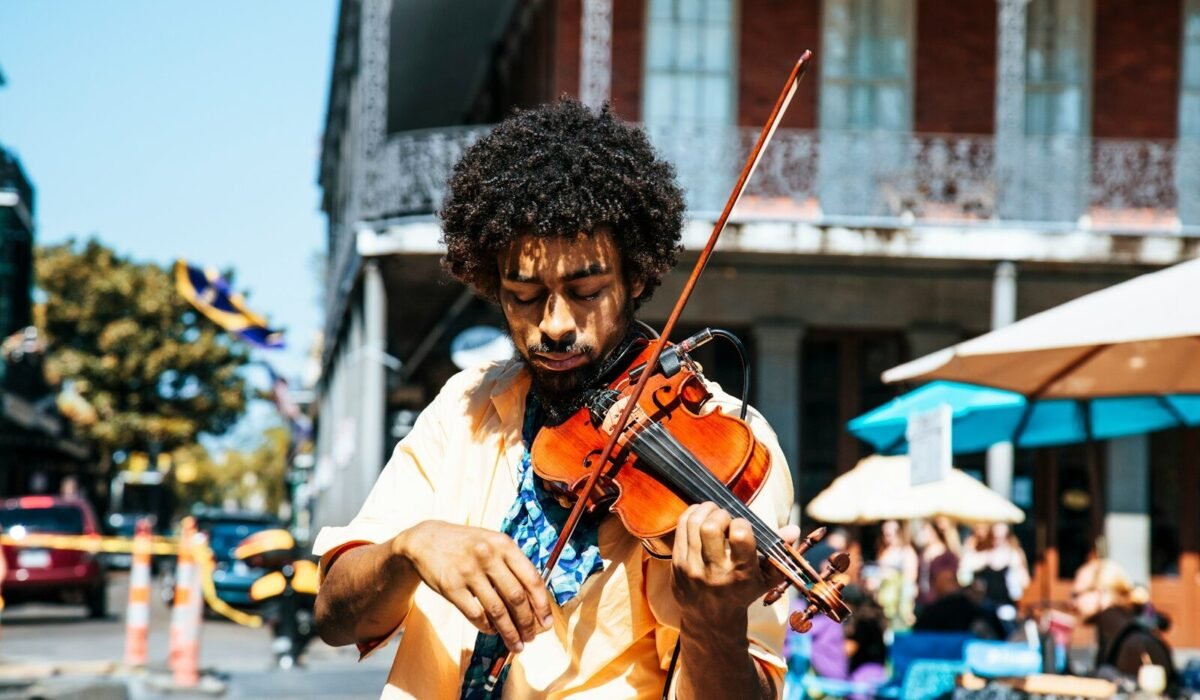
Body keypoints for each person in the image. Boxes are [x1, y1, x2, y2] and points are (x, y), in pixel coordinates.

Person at [313, 100, 800, 699]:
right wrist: (410, 548)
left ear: (638, 278)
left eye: (587, 290)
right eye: (523, 295)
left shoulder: (730, 443)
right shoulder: (463, 406)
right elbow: (335, 616)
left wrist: (713, 626)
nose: (554, 324)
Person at [1072, 559, 1179, 693]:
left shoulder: (1134, 643)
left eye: (1076, 595)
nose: (1073, 603)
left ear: (1101, 593)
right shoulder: (1112, 636)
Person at [959, 522, 1029, 624]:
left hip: (1005, 606)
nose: (998, 542)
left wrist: (1016, 566)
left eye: (1002, 538)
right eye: (995, 537)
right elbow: (963, 576)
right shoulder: (981, 552)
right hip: (983, 607)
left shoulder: (1014, 554)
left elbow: (1024, 583)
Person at [868, 519, 918, 632]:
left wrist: (908, 610)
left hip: (898, 607)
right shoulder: (883, 551)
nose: (886, 537)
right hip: (883, 605)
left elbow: (910, 581)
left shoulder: (906, 552)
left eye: (889, 534)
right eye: (884, 533)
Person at [915, 517, 960, 613]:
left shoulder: (948, 556)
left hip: (940, 603)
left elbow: (948, 581)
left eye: (925, 531)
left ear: (934, 532)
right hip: (922, 602)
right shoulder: (922, 554)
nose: (923, 535)